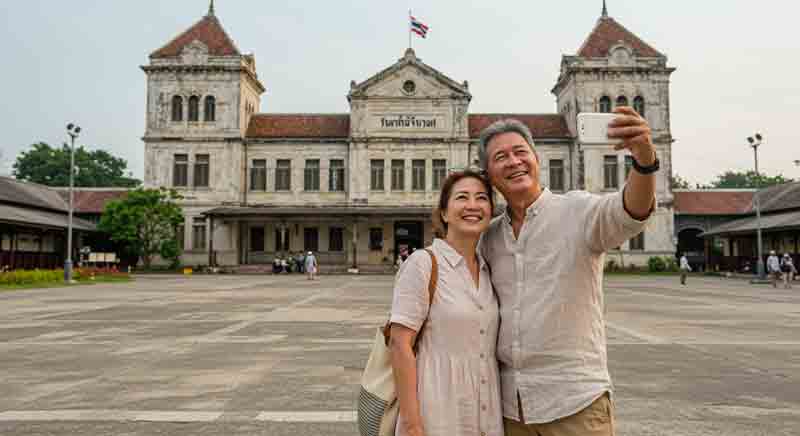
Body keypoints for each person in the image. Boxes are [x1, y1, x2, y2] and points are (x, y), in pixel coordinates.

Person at [479, 107, 655, 436]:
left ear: (536, 159)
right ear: (488, 175)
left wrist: (644, 162)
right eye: (500, 157)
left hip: (574, 403)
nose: (513, 162)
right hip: (511, 408)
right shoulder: (488, 239)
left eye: (520, 152)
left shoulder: (578, 211)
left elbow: (630, 211)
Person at [390, 170, 502, 436]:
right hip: (437, 412)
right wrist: (413, 425)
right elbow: (399, 344)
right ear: (444, 213)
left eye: (481, 198)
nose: (472, 205)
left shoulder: (488, 270)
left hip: (486, 413)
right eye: (462, 197)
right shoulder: (423, 263)